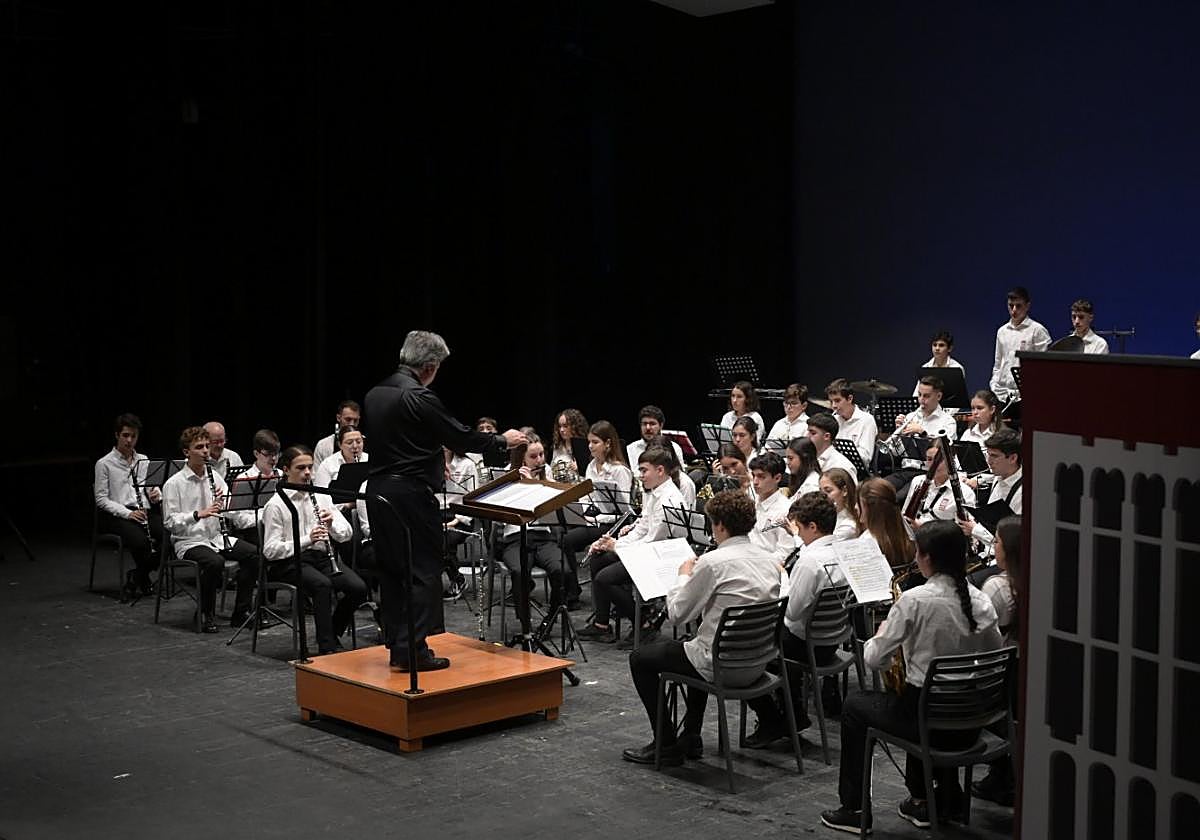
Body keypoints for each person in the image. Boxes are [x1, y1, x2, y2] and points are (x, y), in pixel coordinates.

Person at [819, 520, 1003, 834]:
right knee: (924, 693)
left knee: (856, 705)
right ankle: (932, 801)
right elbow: (993, 655)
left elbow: (875, 659)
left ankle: (854, 809)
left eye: (917, 552)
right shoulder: (982, 600)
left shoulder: (915, 600)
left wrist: (880, 635)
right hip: (973, 718)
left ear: (927, 558)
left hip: (927, 719)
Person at [364, 330, 525, 672]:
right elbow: (459, 436)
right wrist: (501, 440)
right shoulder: (419, 397)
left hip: (377, 490)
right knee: (423, 570)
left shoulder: (375, 393)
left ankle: (396, 644)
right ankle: (414, 651)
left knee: (393, 570)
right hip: (409, 492)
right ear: (431, 366)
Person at [622, 490, 780, 766]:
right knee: (692, 643)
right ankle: (691, 736)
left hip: (723, 666)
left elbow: (677, 614)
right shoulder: (769, 559)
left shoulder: (713, 562)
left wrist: (683, 577)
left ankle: (666, 743)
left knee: (640, 659)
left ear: (719, 525)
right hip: (757, 663)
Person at [744, 491, 846, 747]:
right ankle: (794, 714)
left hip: (805, 644)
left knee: (748, 648)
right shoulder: (842, 550)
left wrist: (783, 580)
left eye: (799, 528)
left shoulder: (809, 562)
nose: (797, 534)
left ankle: (774, 720)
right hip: (831, 639)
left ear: (812, 526)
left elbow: (792, 612)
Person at [262, 446, 368, 656]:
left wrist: (331, 526)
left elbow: (345, 535)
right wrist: (306, 540)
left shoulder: (321, 496)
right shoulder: (276, 505)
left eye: (310, 467)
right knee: (322, 585)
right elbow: (270, 551)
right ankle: (326, 646)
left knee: (358, 588)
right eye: (301, 468)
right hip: (289, 562)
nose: (308, 473)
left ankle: (333, 632)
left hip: (320, 558)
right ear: (286, 470)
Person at [578, 447, 685, 646]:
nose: (640, 475)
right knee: (598, 560)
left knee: (605, 579)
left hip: (663, 558)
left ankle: (644, 624)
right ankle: (602, 625)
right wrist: (610, 544)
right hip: (647, 551)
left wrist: (617, 546)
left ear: (660, 471)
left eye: (644, 470)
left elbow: (652, 540)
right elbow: (641, 529)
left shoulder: (669, 499)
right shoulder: (654, 492)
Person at [161, 426, 260, 633]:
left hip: (215, 538)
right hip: (189, 541)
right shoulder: (174, 484)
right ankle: (205, 612)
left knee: (253, 555)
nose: (206, 451)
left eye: (207, 446)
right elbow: (169, 522)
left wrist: (225, 504)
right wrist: (198, 514)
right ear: (187, 452)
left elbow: (231, 510)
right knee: (215, 562)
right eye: (199, 447)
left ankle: (241, 612)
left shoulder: (214, 475)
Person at [497, 431, 570, 628]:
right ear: (521, 458)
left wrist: (538, 484)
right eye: (533, 456)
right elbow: (503, 511)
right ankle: (525, 624)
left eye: (541, 455)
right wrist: (522, 485)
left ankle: (552, 617)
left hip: (543, 537)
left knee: (561, 570)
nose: (539, 460)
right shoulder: (507, 475)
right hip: (515, 538)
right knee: (520, 572)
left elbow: (557, 504)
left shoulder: (547, 473)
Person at [973, 515, 1022, 807]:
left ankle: (1002, 770)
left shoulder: (998, 587)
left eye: (998, 542)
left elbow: (976, 632)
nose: (994, 546)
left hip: (997, 680)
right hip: (1019, 672)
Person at [560, 420, 634, 609]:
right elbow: (587, 497)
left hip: (613, 524)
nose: (590, 447)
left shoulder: (620, 471)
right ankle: (571, 590)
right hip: (596, 520)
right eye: (589, 442)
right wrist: (581, 513)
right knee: (563, 537)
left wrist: (594, 519)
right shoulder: (591, 466)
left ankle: (581, 596)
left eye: (595, 442)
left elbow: (624, 511)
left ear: (608, 444)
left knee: (571, 541)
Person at [94, 413, 163, 600]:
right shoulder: (104, 463)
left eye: (133, 436)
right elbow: (101, 499)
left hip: (143, 511)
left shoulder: (144, 459)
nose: (130, 440)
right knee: (140, 542)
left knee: (170, 534)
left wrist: (156, 494)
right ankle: (144, 578)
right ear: (117, 435)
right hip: (118, 515)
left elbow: (151, 487)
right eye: (125, 435)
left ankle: (137, 576)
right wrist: (127, 514)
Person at [959, 428, 1023, 570]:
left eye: (994, 456)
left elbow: (1013, 542)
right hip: (987, 554)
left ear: (1013, 458)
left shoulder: (1023, 494)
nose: (989, 461)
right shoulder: (998, 477)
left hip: (1007, 563)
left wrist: (974, 530)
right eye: (988, 454)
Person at [884, 375, 957, 495]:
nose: (921, 400)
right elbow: (896, 453)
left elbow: (943, 452)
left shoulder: (948, 421)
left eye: (927, 396)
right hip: (905, 470)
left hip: (928, 474)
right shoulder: (910, 416)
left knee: (897, 498)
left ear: (938, 396)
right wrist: (899, 435)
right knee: (877, 490)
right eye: (919, 395)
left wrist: (923, 433)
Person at [990, 286, 1051, 402]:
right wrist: (994, 383)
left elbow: (1045, 367)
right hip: (1002, 394)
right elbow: (998, 363)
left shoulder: (1037, 330)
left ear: (1027, 306)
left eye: (1018, 306)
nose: (1014, 310)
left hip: (1026, 395)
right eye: (1010, 305)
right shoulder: (1002, 331)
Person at [225, 428, 283, 546]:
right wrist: (266, 516)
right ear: (256, 454)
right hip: (253, 531)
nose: (273, 459)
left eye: (276, 454)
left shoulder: (282, 476)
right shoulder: (243, 479)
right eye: (268, 454)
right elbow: (239, 520)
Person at [904, 444, 977, 526]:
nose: (933, 465)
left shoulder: (965, 492)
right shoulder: (918, 481)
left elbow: (964, 530)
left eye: (938, 460)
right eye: (929, 459)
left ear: (951, 461)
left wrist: (923, 528)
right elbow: (905, 514)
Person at [856, 478, 917, 571]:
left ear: (872, 509)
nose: (855, 507)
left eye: (859, 503)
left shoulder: (865, 543)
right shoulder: (908, 533)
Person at [825, 379, 878, 468]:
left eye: (837, 401)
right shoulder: (833, 420)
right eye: (831, 402)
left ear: (849, 399)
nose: (833, 406)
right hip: (833, 468)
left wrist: (839, 454)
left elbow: (865, 457)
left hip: (856, 471)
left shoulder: (867, 420)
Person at [626, 405, 685, 469]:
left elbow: (679, 474)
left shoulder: (675, 448)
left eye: (652, 424)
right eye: (644, 424)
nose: (648, 428)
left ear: (661, 425)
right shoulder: (630, 448)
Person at [807, 413, 858, 484]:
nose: (807, 436)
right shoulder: (807, 458)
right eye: (808, 432)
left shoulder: (843, 465)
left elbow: (851, 493)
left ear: (827, 436)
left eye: (813, 433)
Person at [912, 330, 964, 396]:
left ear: (950, 348)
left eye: (941, 345)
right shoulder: (925, 368)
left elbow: (959, 396)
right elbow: (916, 394)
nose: (937, 348)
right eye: (934, 345)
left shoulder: (957, 368)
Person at [313, 400, 362, 467]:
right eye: (348, 419)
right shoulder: (323, 445)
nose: (352, 424)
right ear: (338, 418)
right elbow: (316, 475)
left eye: (356, 420)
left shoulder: (367, 443)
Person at [819, 468, 860, 541]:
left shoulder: (848, 526)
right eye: (820, 491)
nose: (822, 496)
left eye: (828, 491)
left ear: (844, 491)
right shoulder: (827, 514)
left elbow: (823, 545)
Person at [719, 380, 766, 445]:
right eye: (733, 396)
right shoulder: (727, 416)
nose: (734, 400)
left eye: (739, 397)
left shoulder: (755, 417)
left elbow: (755, 444)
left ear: (748, 399)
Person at [549, 408, 589, 479]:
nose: (561, 430)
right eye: (559, 426)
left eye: (565, 426)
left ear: (575, 426)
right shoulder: (558, 445)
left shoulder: (585, 446)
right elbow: (552, 468)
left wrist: (581, 468)